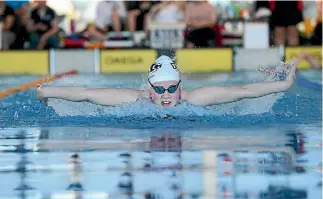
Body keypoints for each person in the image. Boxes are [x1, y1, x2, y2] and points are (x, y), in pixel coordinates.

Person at [37, 55, 297, 108]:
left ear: (180, 88)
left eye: (172, 88)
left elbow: (241, 91)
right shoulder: (132, 98)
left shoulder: (196, 98)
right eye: (159, 89)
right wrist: (46, 91)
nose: (166, 94)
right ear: (148, 90)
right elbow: (86, 93)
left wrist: (282, 85)